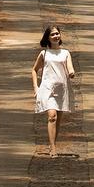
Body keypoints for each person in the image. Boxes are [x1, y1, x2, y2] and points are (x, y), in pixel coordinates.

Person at [32, 25, 76, 156]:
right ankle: (53, 148)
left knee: (58, 120)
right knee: (52, 116)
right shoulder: (44, 53)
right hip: (47, 89)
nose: (56, 36)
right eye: (52, 34)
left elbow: (70, 67)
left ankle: (53, 144)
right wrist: (36, 87)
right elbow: (34, 70)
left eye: (57, 34)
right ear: (48, 38)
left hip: (62, 90)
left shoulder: (65, 53)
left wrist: (71, 72)